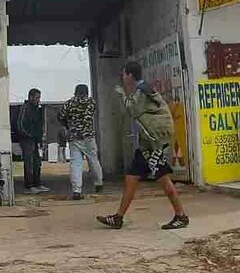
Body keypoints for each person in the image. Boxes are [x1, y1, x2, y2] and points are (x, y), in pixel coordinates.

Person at [97, 61, 189, 230]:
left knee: (162, 177)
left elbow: (131, 111)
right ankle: (118, 217)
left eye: (124, 74)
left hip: (156, 142)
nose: (122, 77)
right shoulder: (142, 90)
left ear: (130, 75)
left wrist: (121, 95)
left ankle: (181, 215)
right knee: (131, 178)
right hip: (147, 143)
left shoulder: (142, 91)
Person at [59, 84, 104, 201]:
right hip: (88, 136)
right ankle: (98, 183)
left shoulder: (69, 103)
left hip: (74, 137)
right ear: (87, 92)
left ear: (75, 92)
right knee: (93, 160)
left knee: (76, 163)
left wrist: (68, 127)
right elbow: (90, 116)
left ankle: (76, 190)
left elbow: (61, 116)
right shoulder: (91, 102)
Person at [15, 88, 48, 194]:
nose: (39, 100)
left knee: (37, 162)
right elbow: (20, 124)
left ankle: (37, 183)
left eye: (39, 98)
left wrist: (39, 137)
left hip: (35, 139)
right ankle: (29, 185)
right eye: (37, 98)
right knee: (29, 162)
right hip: (27, 139)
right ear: (31, 97)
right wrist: (28, 135)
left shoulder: (36, 109)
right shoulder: (25, 108)